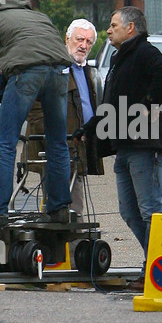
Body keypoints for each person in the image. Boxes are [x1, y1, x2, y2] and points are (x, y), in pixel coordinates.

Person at [73, 6, 162, 290]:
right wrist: (90, 127)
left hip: (145, 145)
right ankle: (154, 263)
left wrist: (147, 104)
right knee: (129, 211)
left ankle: (159, 271)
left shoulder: (145, 52)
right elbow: (113, 104)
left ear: (131, 28)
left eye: (113, 24)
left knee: (149, 209)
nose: (109, 29)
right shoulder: (122, 58)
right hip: (125, 146)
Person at [0, 0, 72, 225]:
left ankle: (0, 210)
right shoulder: (40, 17)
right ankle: (59, 207)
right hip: (60, 70)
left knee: (5, 143)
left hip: (27, 70)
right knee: (58, 142)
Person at [24, 18, 104, 221]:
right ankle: (68, 252)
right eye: (79, 39)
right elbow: (34, 110)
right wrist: (56, 140)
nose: (83, 46)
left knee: (72, 209)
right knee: (67, 212)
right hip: (58, 151)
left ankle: (69, 251)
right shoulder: (50, 66)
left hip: (78, 150)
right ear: (67, 38)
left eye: (88, 42)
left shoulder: (86, 70)